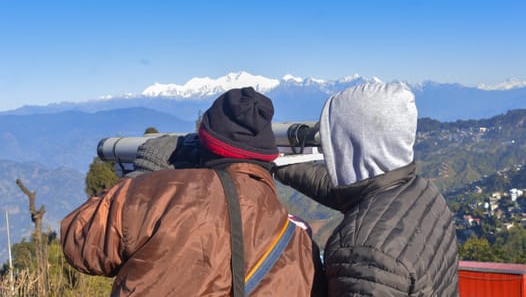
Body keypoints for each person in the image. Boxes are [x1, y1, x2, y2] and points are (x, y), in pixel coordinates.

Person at [61, 87, 326, 296]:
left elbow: (79, 242)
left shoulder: (158, 196)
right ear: (268, 156)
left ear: (205, 142)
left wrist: (145, 175)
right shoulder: (300, 241)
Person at [273, 82, 459, 296]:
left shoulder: (362, 254)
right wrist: (281, 166)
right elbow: (343, 191)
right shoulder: (423, 192)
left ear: (352, 142)